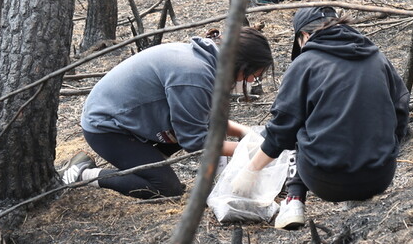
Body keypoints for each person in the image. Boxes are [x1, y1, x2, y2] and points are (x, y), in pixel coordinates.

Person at [230, 7, 410, 229]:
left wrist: (251, 171)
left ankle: (294, 201)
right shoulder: (377, 57)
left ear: (303, 36)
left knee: (297, 123)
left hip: (327, 181)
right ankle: (357, 192)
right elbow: (401, 109)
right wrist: (387, 150)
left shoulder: (305, 64)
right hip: (380, 176)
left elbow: (282, 131)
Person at [59, 28, 273, 199]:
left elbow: (204, 118)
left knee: (204, 136)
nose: (253, 81)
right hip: (106, 127)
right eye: (255, 74)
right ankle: (82, 174)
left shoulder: (208, 60)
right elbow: (195, 141)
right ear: (242, 66)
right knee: (165, 187)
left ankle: (147, 163)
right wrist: (254, 150)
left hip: (134, 119)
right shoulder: (195, 74)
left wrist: (245, 132)